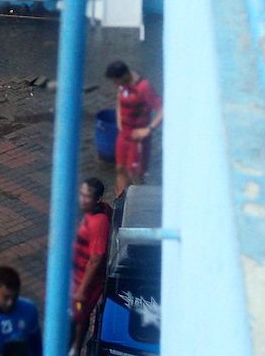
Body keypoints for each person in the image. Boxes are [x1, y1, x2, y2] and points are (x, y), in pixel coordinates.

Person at [105, 60, 162, 198]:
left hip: (138, 141)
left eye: (116, 80)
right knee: (120, 169)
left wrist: (149, 129)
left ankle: (139, 203)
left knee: (135, 174)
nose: (115, 84)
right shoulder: (122, 85)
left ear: (124, 75)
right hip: (123, 136)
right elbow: (119, 99)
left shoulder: (144, 87)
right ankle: (120, 202)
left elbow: (163, 109)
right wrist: (119, 120)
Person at [70, 178, 113, 356]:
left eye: (87, 197)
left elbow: (95, 259)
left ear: (97, 199)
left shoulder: (98, 223)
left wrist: (81, 289)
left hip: (86, 282)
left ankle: (76, 349)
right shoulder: (101, 209)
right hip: (77, 275)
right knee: (81, 314)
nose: (82, 200)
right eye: (81, 194)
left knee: (80, 315)